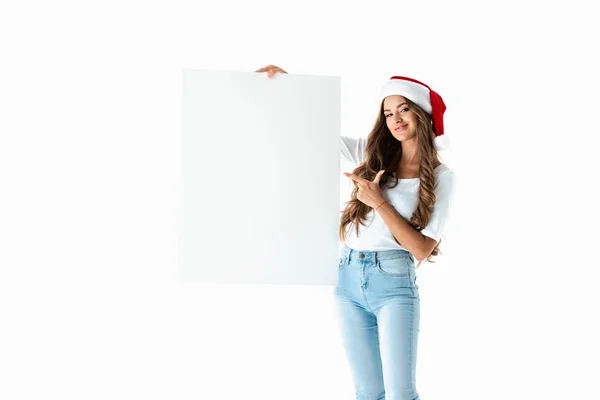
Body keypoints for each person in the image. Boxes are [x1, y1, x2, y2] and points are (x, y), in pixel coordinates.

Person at [256, 65, 456, 400]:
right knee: (368, 392)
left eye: (404, 109)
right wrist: (291, 87)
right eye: (388, 112)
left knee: (400, 393)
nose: (395, 119)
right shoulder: (373, 154)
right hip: (347, 276)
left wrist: (379, 202)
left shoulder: (442, 177)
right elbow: (316, 133)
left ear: (422, 114)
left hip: (393, 281)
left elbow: (421, 249)